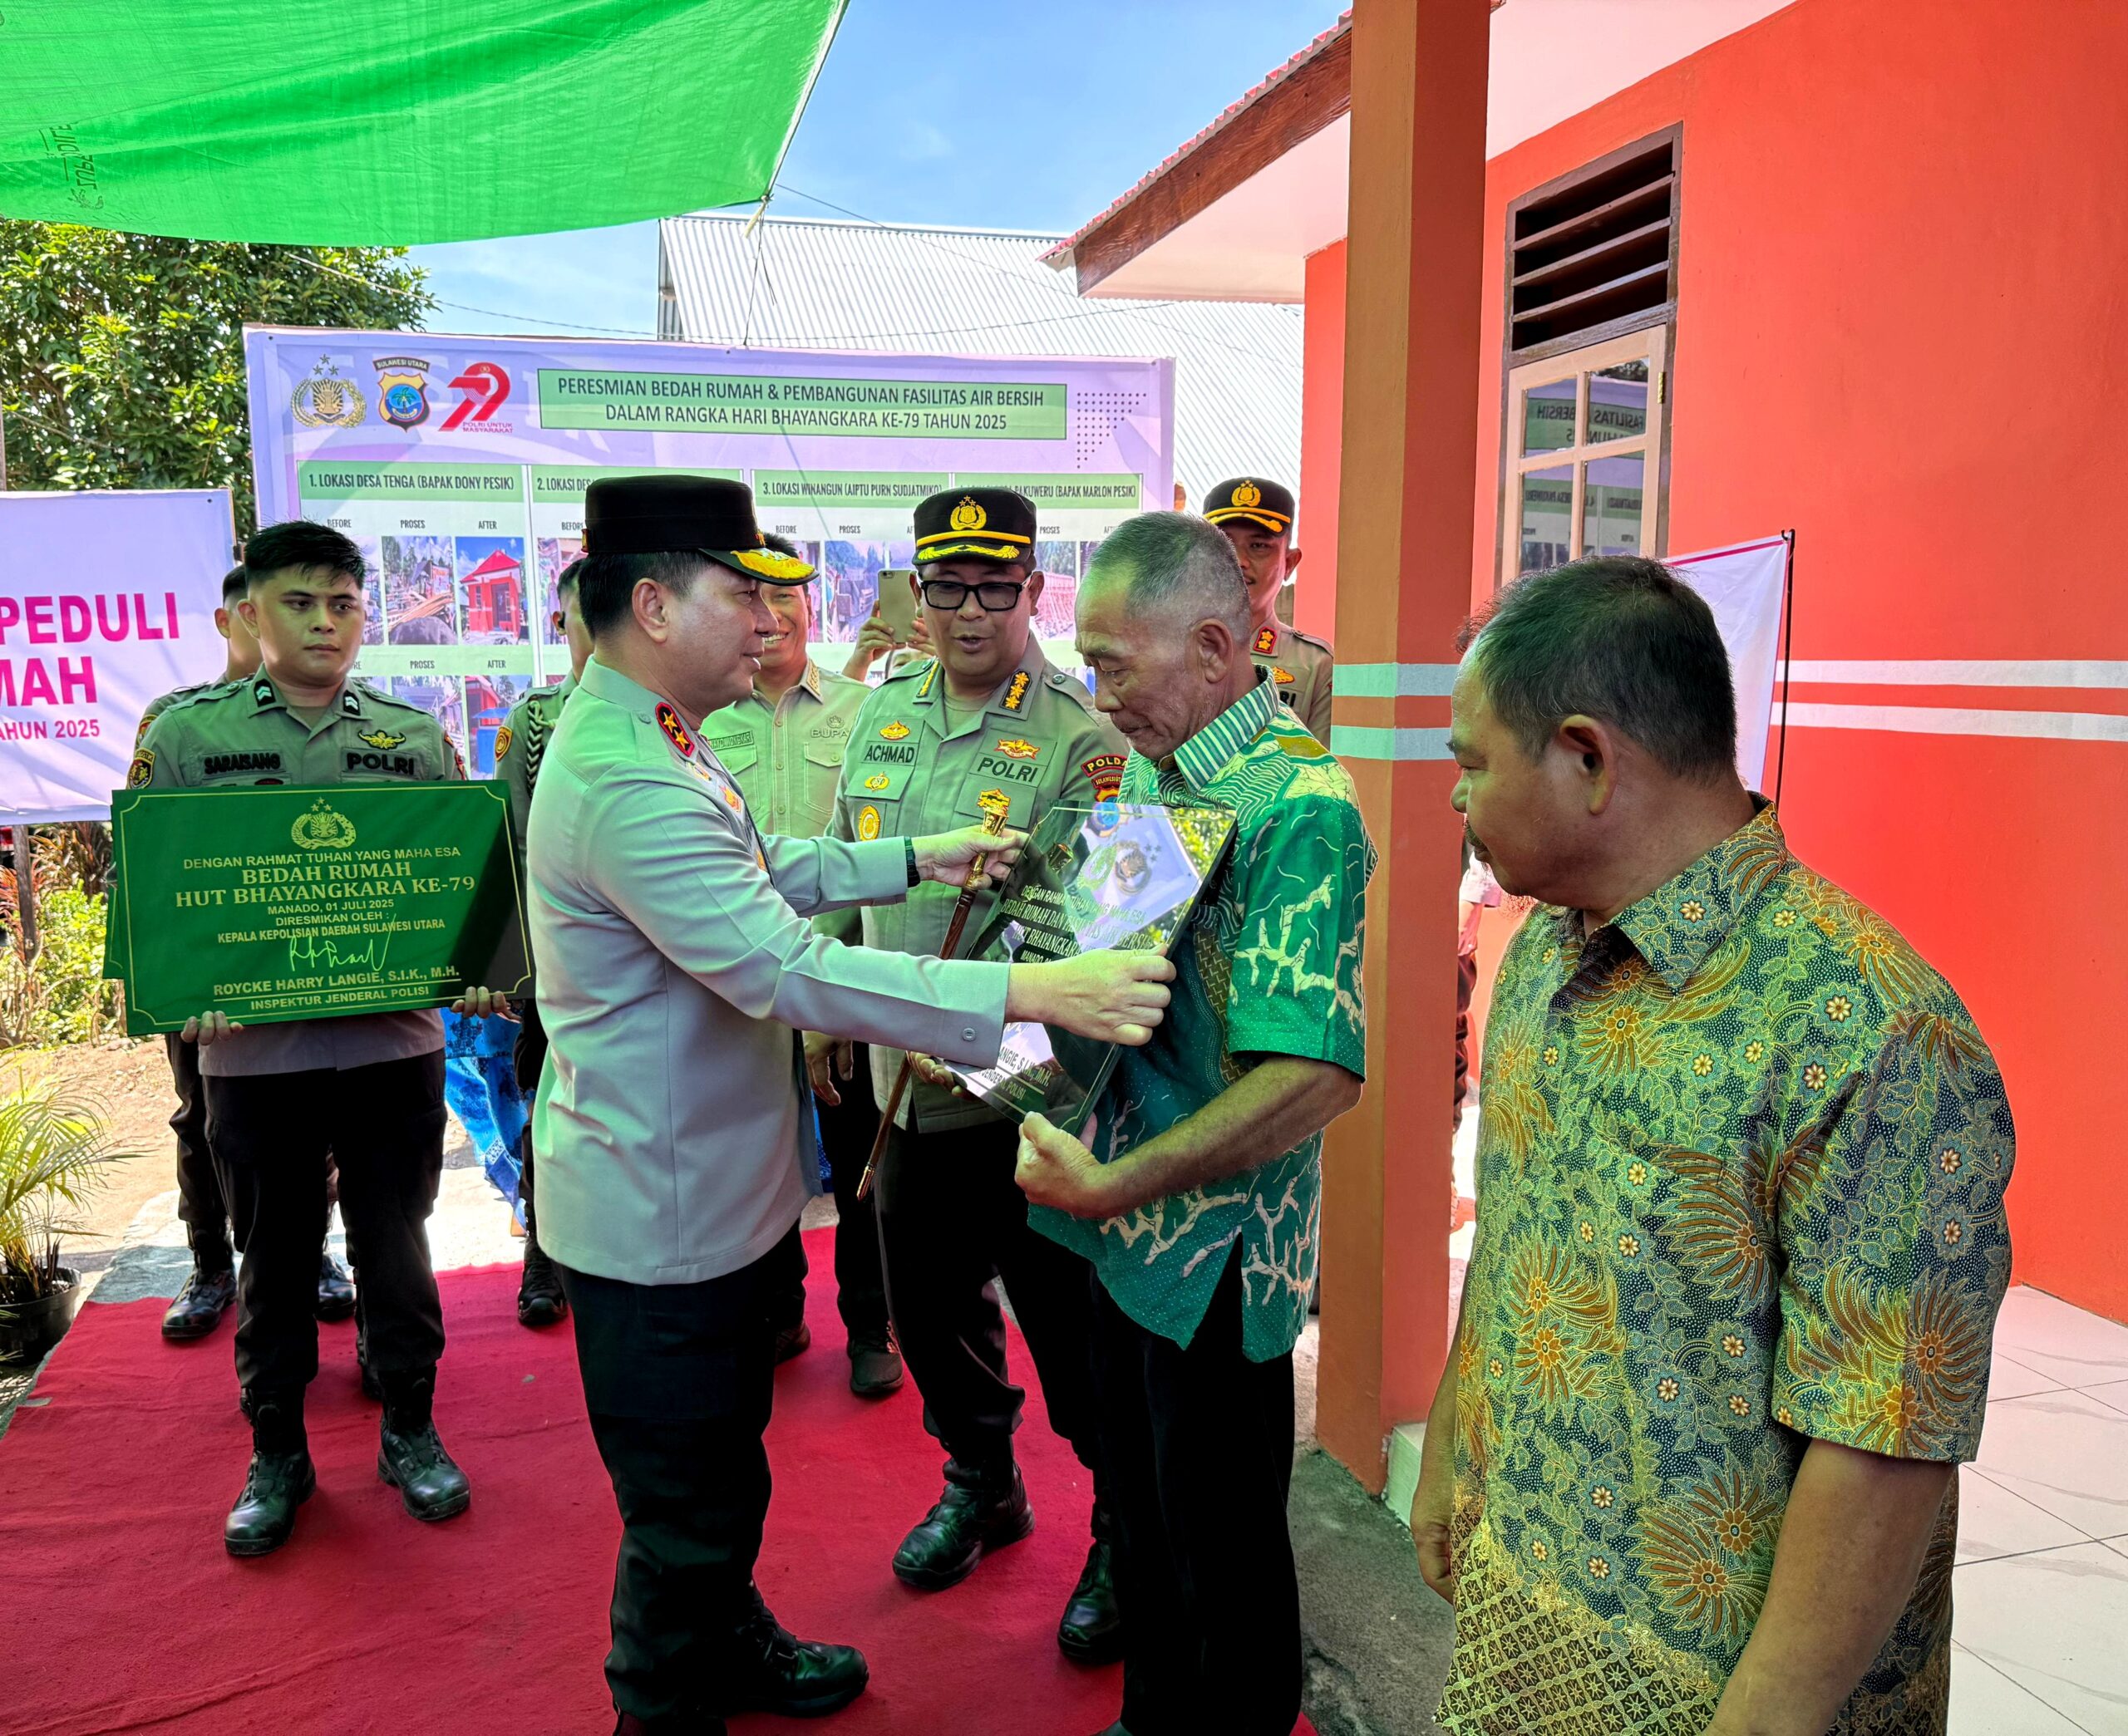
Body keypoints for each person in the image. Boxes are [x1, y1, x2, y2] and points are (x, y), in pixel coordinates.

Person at [523, 475, 1173, 1736]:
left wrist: (916, 856)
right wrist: (1028, 989)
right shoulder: (631, 773)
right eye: (742, 594)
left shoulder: (657, 738)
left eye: (995, 586)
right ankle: (670, 1698)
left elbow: (766, 864)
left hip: (857, 1147)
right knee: (688, 1504)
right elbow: (783, 966)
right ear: (653, 606)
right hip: (665, 1206)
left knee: (721, 1472)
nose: (767, 623)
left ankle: (731, 1636)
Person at [1415, 556, 2015, 1734]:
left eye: (1471, 763)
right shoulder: (1544, 952)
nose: (1455, 797)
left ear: (1587, 760)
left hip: (1726, 1691)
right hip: (1523, 1611)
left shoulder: (1873, 1031)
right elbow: (1517, 1229)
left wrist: (1763, 1718)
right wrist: (1448, 1441)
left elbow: (1885, 1438)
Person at [1014, 511, 1375, 1736]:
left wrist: (1116, 1186)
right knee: (1143, 1519)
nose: (1098, 693)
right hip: (1115, 1222)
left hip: (1217, 1256)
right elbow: (1100, 974)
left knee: (1225, 1555)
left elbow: (1312, 1077)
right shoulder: (1148, 775)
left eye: (1114, 664)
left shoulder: (1300, 805)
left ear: (1216, 646)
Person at [131, 519, 515, 1557]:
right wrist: (183, 992)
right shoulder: (185, 737)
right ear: (248, 613)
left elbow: (461, 883)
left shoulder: (414, 735)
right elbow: (150, 894)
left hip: (393, 1044)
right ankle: (279, 1452)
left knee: (398, 1247)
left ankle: (409, 1427)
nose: (323, 624)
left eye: (343, 604)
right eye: (299, 603)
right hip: (255, 1054)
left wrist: (485, 965)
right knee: (274, 1256)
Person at [822, 485, 1130, 1660]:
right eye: (945, 585)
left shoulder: (1079, 740)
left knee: (1071, 1328)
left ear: (1033, 590)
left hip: (1026, 1102)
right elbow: (851, 865)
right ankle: (983, 1482)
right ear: (919, 590)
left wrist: (998, 1049)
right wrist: (828, 1008)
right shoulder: (883, 709)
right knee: (928, 1309)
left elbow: (1097, 930)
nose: (966, 611)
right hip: (903, 1088)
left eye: (993, 587)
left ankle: (1118, 1523)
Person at [697, 538, 899, 1394]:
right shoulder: (698, 719)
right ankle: (777, 1313)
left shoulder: (869, 713)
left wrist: (834, 996)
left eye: (787, 596)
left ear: (814, 605)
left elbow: (876, 850)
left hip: (839, 976)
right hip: (735, 982)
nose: (771, 615)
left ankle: (870, 1326)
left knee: (860, 1164)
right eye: (753, 597)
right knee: (754, 1156)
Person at [144, 564, 352, 1342]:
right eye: (277, 607)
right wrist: (165, 975)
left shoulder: (337, 716)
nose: (306, 622)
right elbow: (149, 852)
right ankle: (209, 1265)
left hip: (312, 961)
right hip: (212, 972)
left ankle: (317, 1253)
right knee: (203, 1116)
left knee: (317, 1117)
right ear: (238, 617)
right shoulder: (177, 722)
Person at [494, 556, 592, 1330]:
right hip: (555, 961)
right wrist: (512, 965)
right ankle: (543, 1251)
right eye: (585, 616)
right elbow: (509, 845)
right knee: (550, 1105)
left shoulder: (680, 714)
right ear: (562, 623)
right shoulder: (533, 721)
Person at [1202, 476, 1333, 741]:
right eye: (1223, 544)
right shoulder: (1165, 648)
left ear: (1289, 563)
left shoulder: (1315, 665)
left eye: (1259, 546)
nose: (1238, 560)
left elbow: (1324, 764)